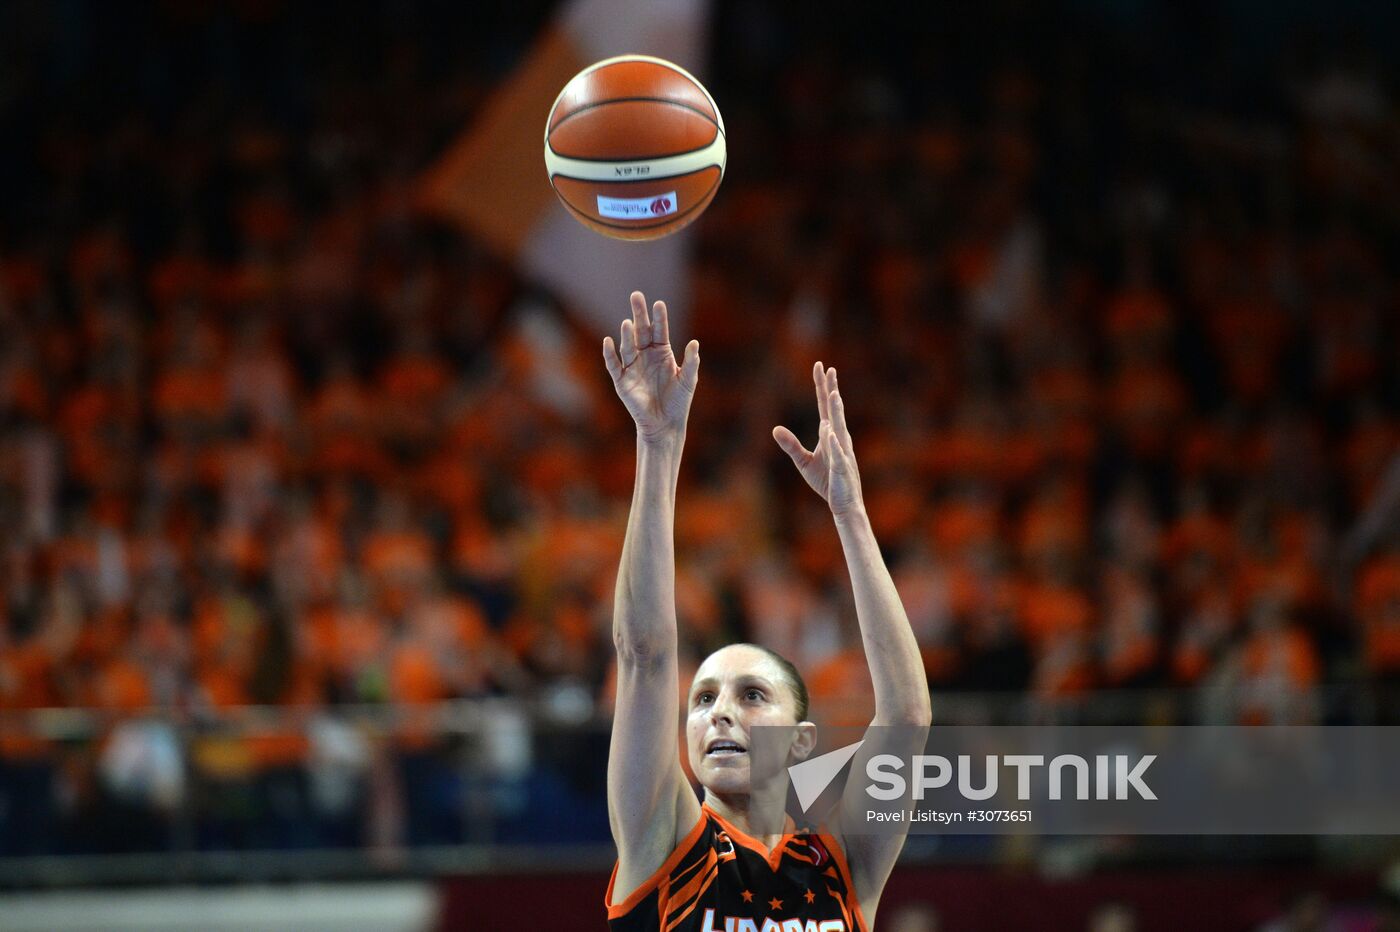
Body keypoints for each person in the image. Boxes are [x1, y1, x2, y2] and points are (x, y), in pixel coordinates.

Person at [602, 292, 932, 931]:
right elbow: (645, 655)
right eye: (702, 700)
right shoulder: (665, 846)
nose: (719, 710)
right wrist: (657, 443)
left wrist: (850, 515)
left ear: (800, 742)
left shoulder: (843, 869)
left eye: (752, 695)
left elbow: (907, 717)